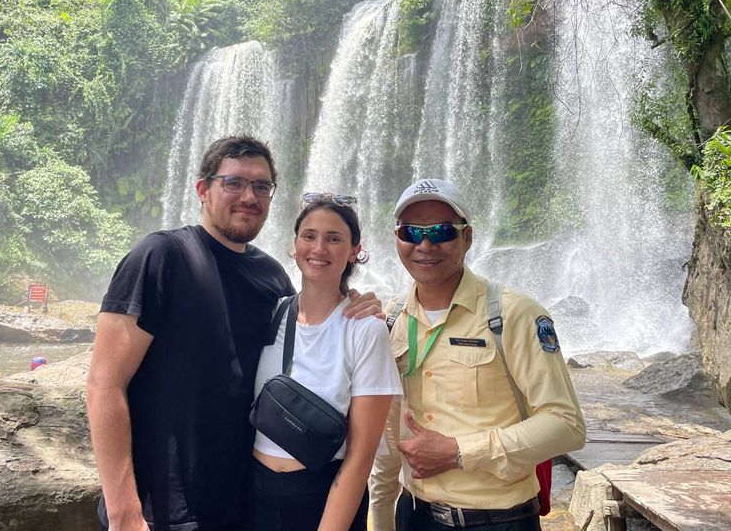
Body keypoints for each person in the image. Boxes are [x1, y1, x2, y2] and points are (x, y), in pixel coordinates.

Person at [86, 136, 381, 531]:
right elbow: (104, 383)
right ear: (203, 189)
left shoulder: (273, 278)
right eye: (234, 182)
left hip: (242, 504)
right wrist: (123, 510)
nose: (249, 196)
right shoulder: (161, 257)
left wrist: (359, 304)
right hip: (161, 508)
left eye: (262, 186)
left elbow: (315, 326)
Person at [369, 178, 586, 531]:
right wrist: (381, 517)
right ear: (397, 238)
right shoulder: (392, 319)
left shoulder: (514, 314)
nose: (425, 244)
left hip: (499, 520)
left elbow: (567, 426)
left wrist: (459, 452)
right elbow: (390, 436)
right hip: (413, 515)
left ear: (467, 238)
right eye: (411, 232)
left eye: (441, 232)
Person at [250, 195, 402, 531]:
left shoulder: (366, 330)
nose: (319, 248)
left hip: (324, 498)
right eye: (309, 236)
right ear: (295, 245)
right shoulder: (270, 313)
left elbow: (361, 458)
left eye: (334, 239)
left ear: (354, 251)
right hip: (254, 494)